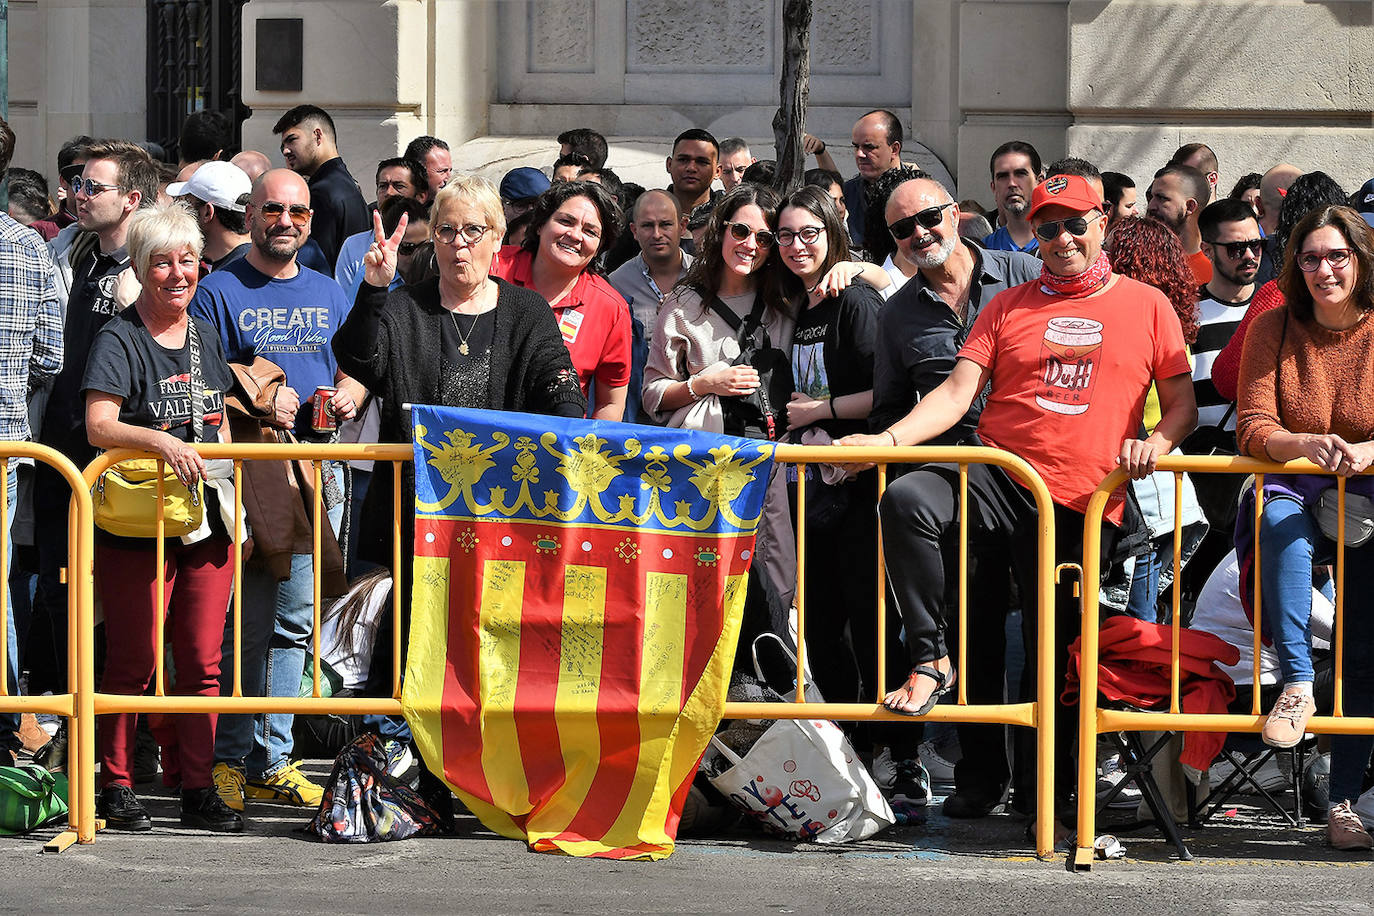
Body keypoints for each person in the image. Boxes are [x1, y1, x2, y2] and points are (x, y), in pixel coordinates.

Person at [839, 173, 1195, 832]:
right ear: (1033, 234)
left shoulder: (1147, 304)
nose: (1061, 239)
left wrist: (1157, 442)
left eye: (1074, 224)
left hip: (1083, 500)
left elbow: (1182, 406)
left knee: (1050, 651)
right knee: (909, 498)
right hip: (1000, 474)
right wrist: (884, 442)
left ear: (1102, 225)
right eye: (1047, 227)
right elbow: (952, 396)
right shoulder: (1007, 306)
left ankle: (1048, 804)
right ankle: (929, 657)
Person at [192, 168, 364, 814]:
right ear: (252, 213)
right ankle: (230, 759)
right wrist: (261, 397)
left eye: (295, 211)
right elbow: (203, 372)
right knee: (251, 624)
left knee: (295, 624)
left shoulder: (330, 290)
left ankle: (277, 758)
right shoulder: (219, 288)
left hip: (321, 471)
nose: (284, 220)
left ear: (311, 221)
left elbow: (357, 363)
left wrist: (353, 391)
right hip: (253, 474)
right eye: (272, 209)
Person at [870, 173, 1040, 819]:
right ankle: (978, 776)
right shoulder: (897, 312)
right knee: (976, 632)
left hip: (1041, 474)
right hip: (958, 482)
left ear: (958, 213)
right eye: (902, 229)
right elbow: (893, 406)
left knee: (1045, 641)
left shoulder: (1025, 269)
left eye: (930, 217)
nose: (920, 234)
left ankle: (1042, 781)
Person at [82, 201, 242, 833]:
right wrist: (161, 442)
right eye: (163, 263)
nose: (179, 274)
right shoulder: (119, 336)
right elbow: (98, 423)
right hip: (135, 521)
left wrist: (233, 492)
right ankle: (115, 783)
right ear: (142, 268)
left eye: (189, 260)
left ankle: (196, 786)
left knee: (202, 659)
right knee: (133, 658)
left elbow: (217, 413)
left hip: (207, 518)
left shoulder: (205, 330)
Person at [1234, 204, 1374, 850]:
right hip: (1298, 479)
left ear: (1360, 260)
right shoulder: (1272, 327)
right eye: (1311, 258)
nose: (1323, 269)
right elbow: (1253, 425)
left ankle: (1344, 801)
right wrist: (1303, 442)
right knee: (1280, 522)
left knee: (1362, 643)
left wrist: (1367, 452)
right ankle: (1294, 683)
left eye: (1336, 256)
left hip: (1369, 491)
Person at [642, 183, 796, 603]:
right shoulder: (683, 304)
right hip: (705, 463)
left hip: (774, 461)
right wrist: (701, 384)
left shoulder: (787, 298)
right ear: (722, 231)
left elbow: (875, 276)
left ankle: (770, 662)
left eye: (765, 238)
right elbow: (653, 394)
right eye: (741, 232)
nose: (751, 245)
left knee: (774, 576)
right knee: (703, 578)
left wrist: (856, 269)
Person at [1101, 216, 1205, 621]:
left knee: (1130, 627)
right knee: (1143, 621)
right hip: (1165, 492)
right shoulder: (1176, 327)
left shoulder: (1136, 326)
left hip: (1136, 493)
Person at [0, 118, 64, 768]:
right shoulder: (28, 248)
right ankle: (16, 719)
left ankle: (15, 721)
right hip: (9, 441)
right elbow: (53, 351)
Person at [490, 180, 631, 420]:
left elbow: (610, 403)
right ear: (539, 225)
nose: (575, 235)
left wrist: (585, 453)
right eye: (565, 221)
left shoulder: (611, 308)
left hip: (558, 446)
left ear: (600, 247)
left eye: (590, 231)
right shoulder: (492, 267)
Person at [608, 190, 693, 424]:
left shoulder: (705, 277)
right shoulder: (616, 284)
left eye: (665, 224)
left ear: (683, 226)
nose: (657, 234)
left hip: (699, 417)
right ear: (634, 231)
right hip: (640, 419)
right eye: (647, 226)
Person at [273, 105, 369, 269]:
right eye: (283, 145)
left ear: (317, 136)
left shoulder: (322, 193)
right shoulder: (346, 183)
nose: (286, 151)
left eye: (292, 140)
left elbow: (314, 265)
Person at [167, 160, 253, 272]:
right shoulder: (268, 264)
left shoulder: (220, 281)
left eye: (187, 204)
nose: (182, 212)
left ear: (207, 213)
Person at [843, 110, 904, 248]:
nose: (859, 154)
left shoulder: (922, 193)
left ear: (894, 149)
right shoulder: (845, 195)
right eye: (855, 146)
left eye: (869, 147)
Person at [1146, 164, 1212, 285]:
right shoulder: (1140, 261)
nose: (1151, 206)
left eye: (1161, 198)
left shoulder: (1215, 273)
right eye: (1150, 197)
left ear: (1190, 206)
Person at [983, 140, 1042, 254]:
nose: (1011, 183)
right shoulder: (984, 251)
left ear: (1039, 182)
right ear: (994, 188)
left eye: (1020, 174)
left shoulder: (1059, 243)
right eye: (1003, 176)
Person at [665, 129, 721, 218]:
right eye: (683, 160)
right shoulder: (646, 211)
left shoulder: (729, 216)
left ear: (717, 171)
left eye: (702, 162)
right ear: (669, 165)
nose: (691, 168)